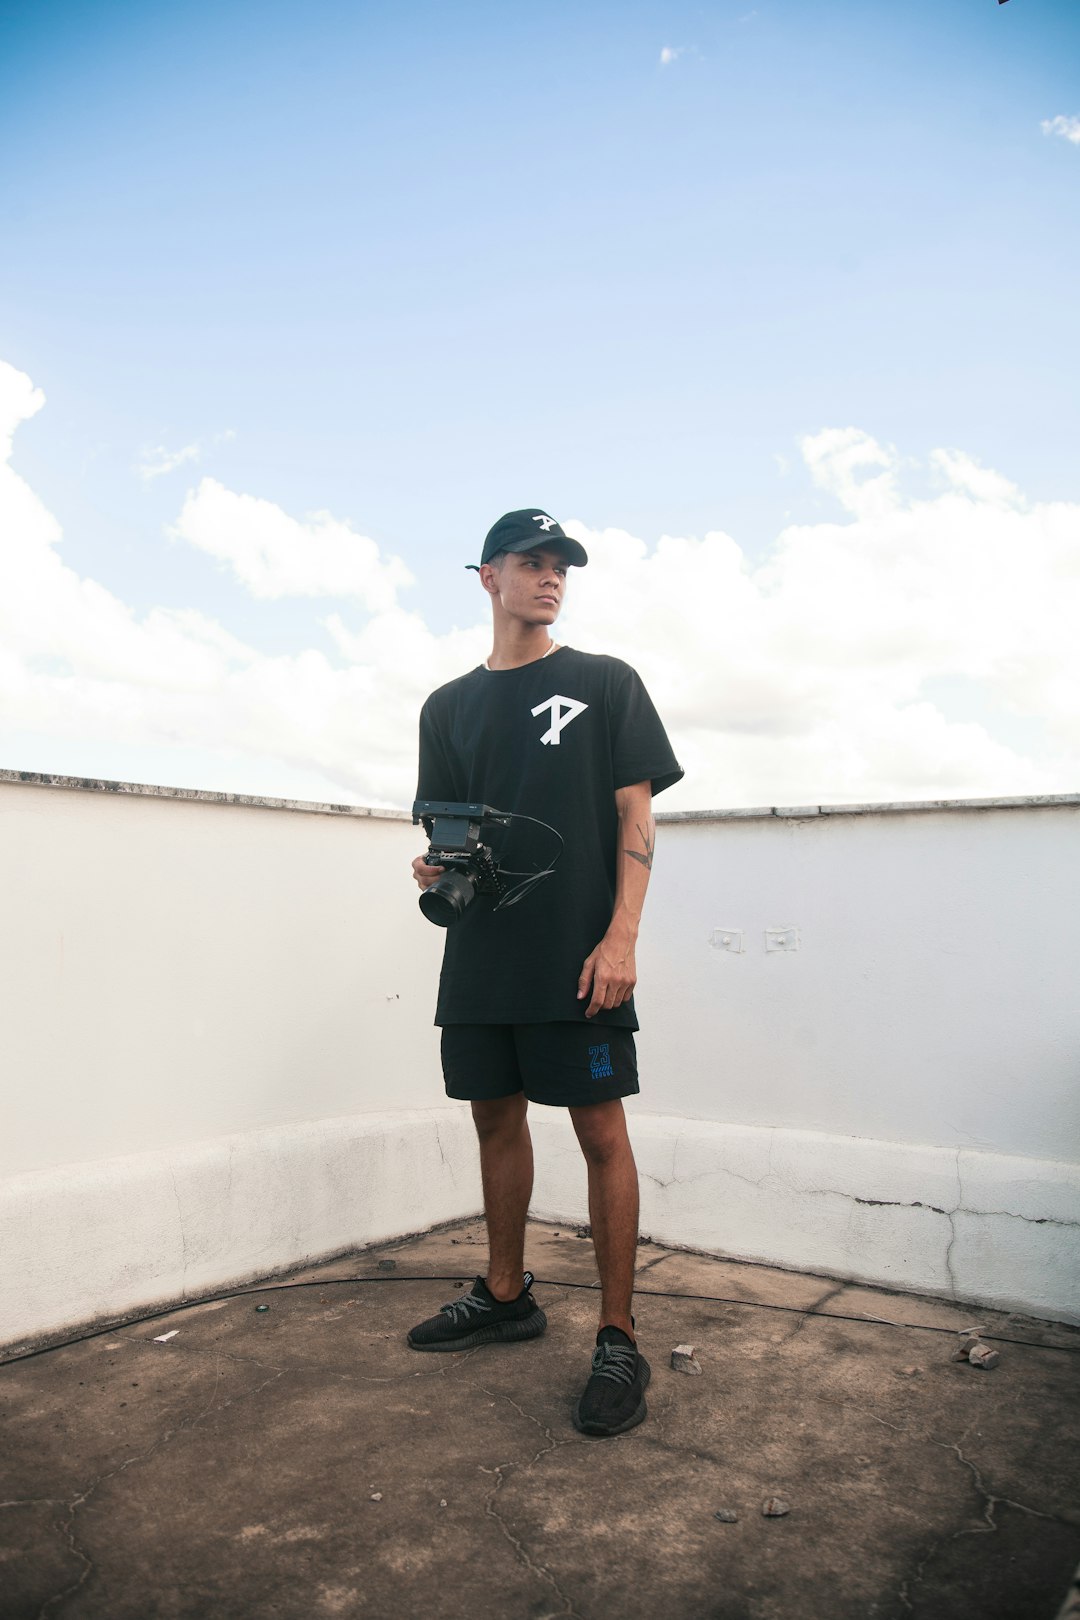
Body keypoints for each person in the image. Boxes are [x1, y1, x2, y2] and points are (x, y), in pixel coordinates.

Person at [406, 508, 683, 1437]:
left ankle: (618, 1334)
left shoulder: (606, 684)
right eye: (531, 562)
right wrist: (439, 872)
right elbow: (453, 832)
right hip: (484, 958)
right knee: (495, 1122)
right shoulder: (446, 707)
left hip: (580, 962)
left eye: (561, 564)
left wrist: (622, 939)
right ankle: (505, 1294)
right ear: (487, 576)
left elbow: (636, 819)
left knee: (601, 1133)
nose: (550, 577)